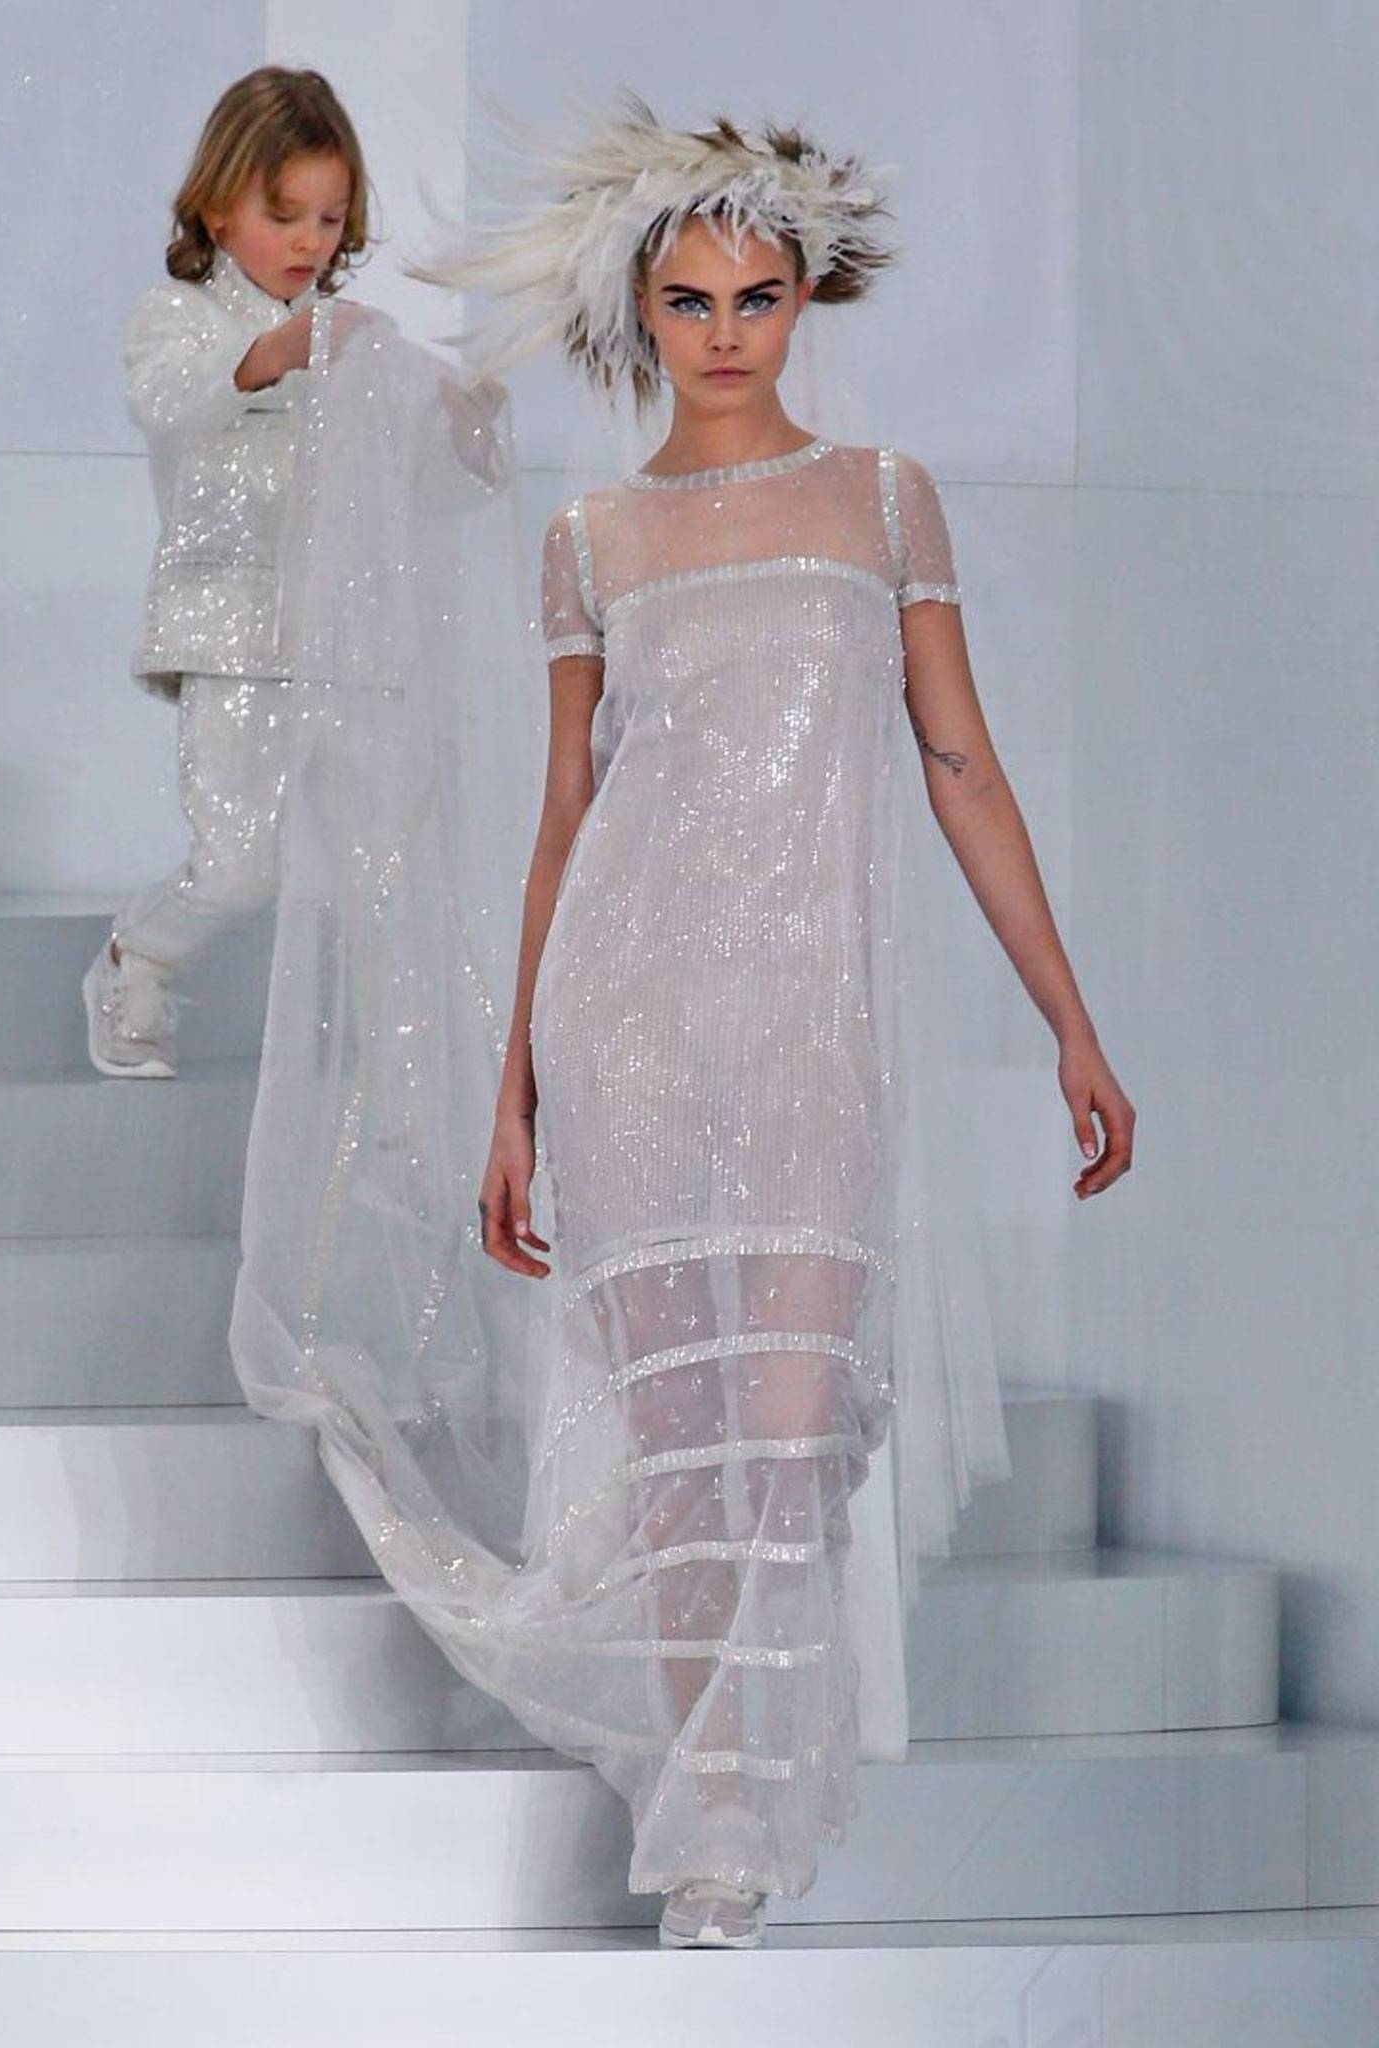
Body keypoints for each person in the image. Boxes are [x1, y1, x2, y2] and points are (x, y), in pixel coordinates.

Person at [228, 95, 1135, 1954]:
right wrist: (514, 1099)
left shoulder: (883, 499)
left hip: (811, 1031)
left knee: (782, 1435)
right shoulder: (594, 537)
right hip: (627, 1024)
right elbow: (567, 818)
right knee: (676, 1453)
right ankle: (710, 1839)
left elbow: (960, 765)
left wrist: (1070, 1020)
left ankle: (738, 1803)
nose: (727, 333)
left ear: (807, 299)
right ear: (640, 309)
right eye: (693, 299)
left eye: (760, 296)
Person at [82, 66, 371, 1078]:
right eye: (284, 215)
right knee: (241, 865)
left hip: (338, 639)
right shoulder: (179, 317)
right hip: (225, 630)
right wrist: (272, 356)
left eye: (330, 218)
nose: (310, 242)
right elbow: (170, 400)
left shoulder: (344, 337)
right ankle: (138, 957)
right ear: (216, 208)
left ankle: (372, 1065)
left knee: (364, 856)